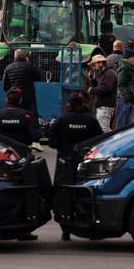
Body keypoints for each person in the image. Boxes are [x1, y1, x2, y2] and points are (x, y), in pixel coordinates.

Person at [48, 91, 103, 241]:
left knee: (64, 195)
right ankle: (90, 229)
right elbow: (100, 140)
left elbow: (51, 141)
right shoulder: (91, 121)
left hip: (65, 165)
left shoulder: (61, 120)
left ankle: (65, 230)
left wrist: (63, 147)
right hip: (85, 165)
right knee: (86, 194)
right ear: (83, 104)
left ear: (69, 105)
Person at [2, 49, 40, 121]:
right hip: (29, 98)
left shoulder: (8, 67)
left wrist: (12, 92)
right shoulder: (29, 66)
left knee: (15, 117)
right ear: (25, 56)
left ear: (15, 57)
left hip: (14, 99)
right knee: (31, 118)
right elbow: (38, 77)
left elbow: (4, 86)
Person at [87, 54, 118, 132]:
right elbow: (99, 86)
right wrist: (92, 79)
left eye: (94, 65)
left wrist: (92, 90)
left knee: (104, 129)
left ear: (100, 63)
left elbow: (105, 88)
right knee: (102, 129)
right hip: (104, 105)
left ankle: (115, 139)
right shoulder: (104, 73)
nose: (93, 67)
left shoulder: (109, 73)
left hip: (106, 106)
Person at [116, 49, 134, 128]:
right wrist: (127, 96)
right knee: (122, 122)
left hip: (127, 98)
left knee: (127, 122)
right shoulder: (125, 67)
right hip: (125, 99)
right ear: (130, 58)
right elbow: (120, 84)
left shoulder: (127, 67)